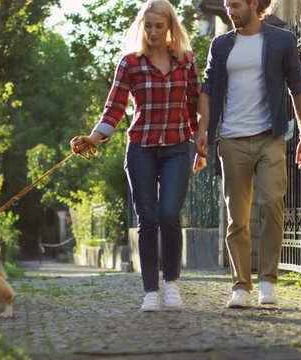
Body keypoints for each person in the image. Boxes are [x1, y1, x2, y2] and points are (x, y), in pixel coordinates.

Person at [70, 0, 199, 312]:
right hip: (140, 147)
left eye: (159, 26)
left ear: (170, 28)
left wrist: (202, 143)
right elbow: (113, 109)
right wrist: (92, 137)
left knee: (170, 214)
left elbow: (195, 106)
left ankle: (171, 285)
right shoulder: (130, 63)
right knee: (148, 219)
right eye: (148, 26)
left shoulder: (186, 61)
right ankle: (150, 292)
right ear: (142, 27)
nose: (153, 32)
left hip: (177, 148)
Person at [194, 0, 301, 308]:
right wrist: (203, 132)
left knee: (272, 202)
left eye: (235, 5)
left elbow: (297, 87)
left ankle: (268, 282)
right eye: (226, 6)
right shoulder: (220, 46)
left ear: (253, 4)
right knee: (238, 218)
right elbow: (207, 90)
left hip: (269, 137)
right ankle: (241, 286)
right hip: (231, 140)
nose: (229, 11)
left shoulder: (281, 40)